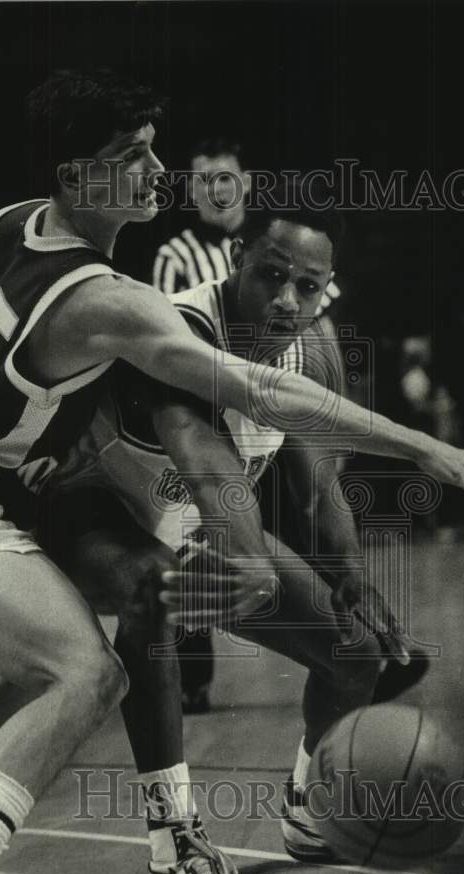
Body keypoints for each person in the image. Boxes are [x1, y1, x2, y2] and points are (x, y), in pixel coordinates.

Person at [0, 71, 464, 874]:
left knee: (60, 656)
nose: (155, 171)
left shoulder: (11, 222)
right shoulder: (115, 302)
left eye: (151, 149)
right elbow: (256, 399)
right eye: (128, 157)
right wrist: (424, 447)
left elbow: (301, 454)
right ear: (76, 176)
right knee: (86, 669)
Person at [151, 137, 342, 711]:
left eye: (225, 177)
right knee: (201, 530)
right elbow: (168, 348)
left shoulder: (290, 243)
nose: (216, 189)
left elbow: (320, 326)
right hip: (208, 402)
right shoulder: (177, 256)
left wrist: (326, 412)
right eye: (204, 179)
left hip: (274, 398)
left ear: (246, 182)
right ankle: (189, 674)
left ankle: (342, 623)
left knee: (312, 507)